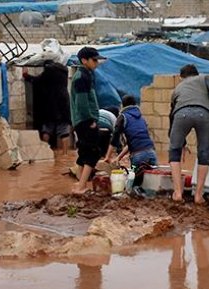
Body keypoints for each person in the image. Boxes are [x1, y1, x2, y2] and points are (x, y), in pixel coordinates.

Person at [169, 64, 209, 204]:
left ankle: (177, 193)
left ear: (182, 77)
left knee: (174, 153)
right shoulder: (204, 78)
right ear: (196, 73)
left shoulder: (177, 88)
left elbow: (172, 114)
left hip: (180, 115)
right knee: (203, 153)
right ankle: (198, 196)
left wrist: (181, 143)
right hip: (203, 114)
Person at [69, 47, 105, 194]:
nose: (96, 63)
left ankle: (79, 184)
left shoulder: (84, 75)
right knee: (93, 152)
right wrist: (91, 120)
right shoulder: (82, 77)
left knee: (84, 151)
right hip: (85, 120)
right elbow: (82, 102)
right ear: (84, 61)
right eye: (94, 60)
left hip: (81, 120)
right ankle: (83, 185)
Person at [108, 95, 158, 186]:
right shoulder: (141, 118)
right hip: (152, 154)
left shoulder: (123, 116)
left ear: (123, 106)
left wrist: (107, 156)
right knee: (152, 185)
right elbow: (131, 144)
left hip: (138, 158)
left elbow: (115, 137)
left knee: (134, 185)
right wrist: (118, 157)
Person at [23, 60, 71, 149]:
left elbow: (37, 81)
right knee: (64, 131)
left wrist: (26, 76)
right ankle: (65, 154)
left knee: (47, 130)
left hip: (50, 106)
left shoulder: (48, 72)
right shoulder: (64, 71)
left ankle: (46, 150)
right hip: (64, 105)